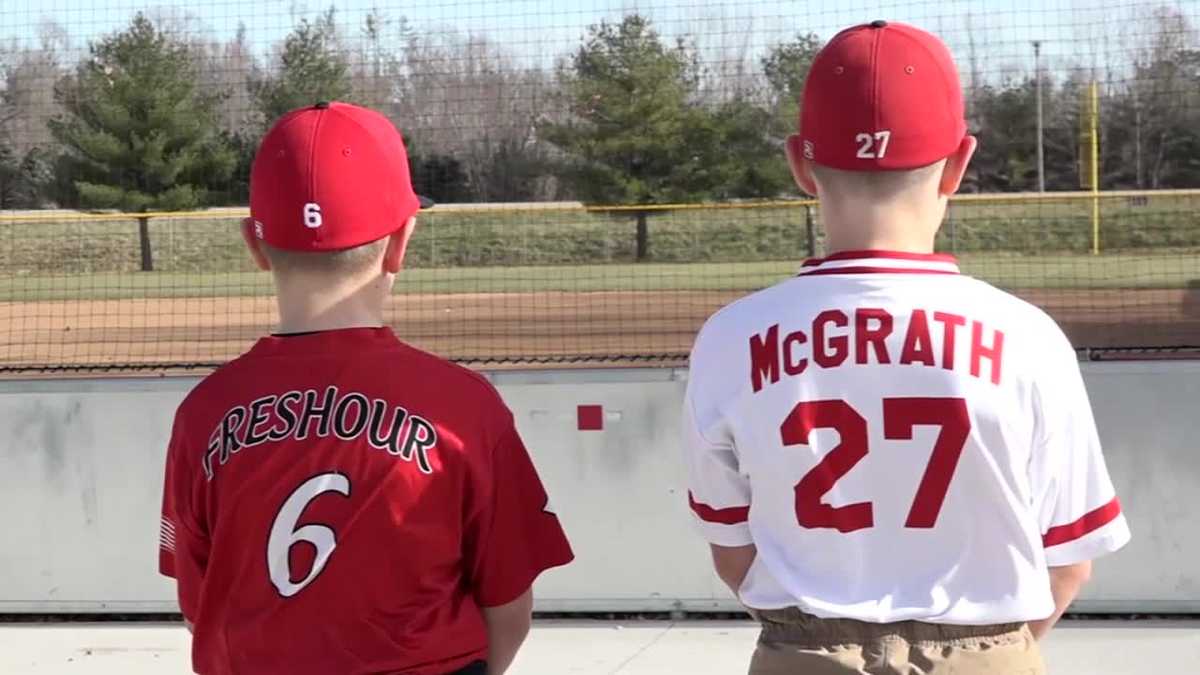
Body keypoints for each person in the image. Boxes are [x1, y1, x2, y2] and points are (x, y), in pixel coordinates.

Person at [681, 21, 1129, 675]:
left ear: (801, 163)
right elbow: (1069, 562)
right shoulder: (1029, 335)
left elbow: (733, 552)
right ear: (959, 162)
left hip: (804, 650)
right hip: (986, 652)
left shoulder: (731, 336)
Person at [158, 101, 573, 675]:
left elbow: (199, 604)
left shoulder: (204, 412)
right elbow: (508, 604)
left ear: (254, 245)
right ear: (402, 240)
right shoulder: (463, 406)